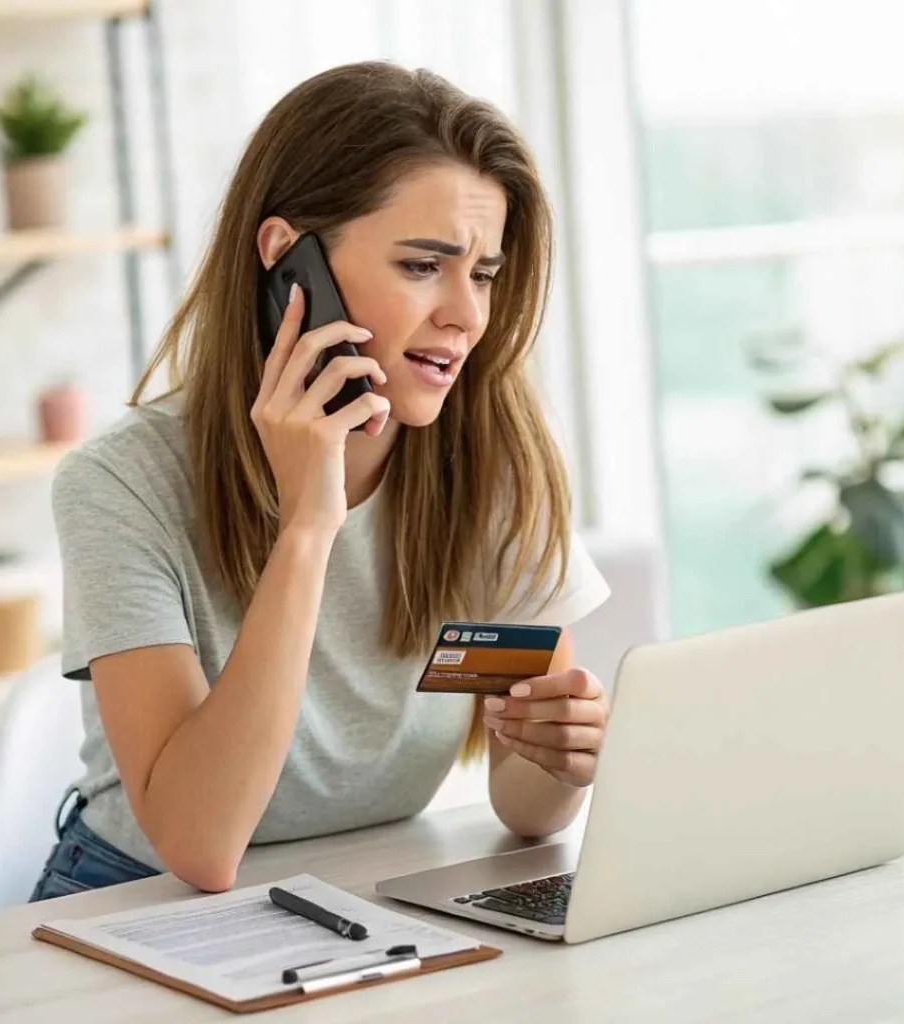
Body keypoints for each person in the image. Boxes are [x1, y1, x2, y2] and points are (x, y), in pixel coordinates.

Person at [30, 61, 611, 902]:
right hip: (137, 897)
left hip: (364, 881)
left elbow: (525, 804)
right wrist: (307, 523)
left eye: (483, 273)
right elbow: (200, 845)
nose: (467, 314)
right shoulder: (121, 483)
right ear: (288, 260)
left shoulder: (490, 455)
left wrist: (563, 757)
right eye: (424, 265)